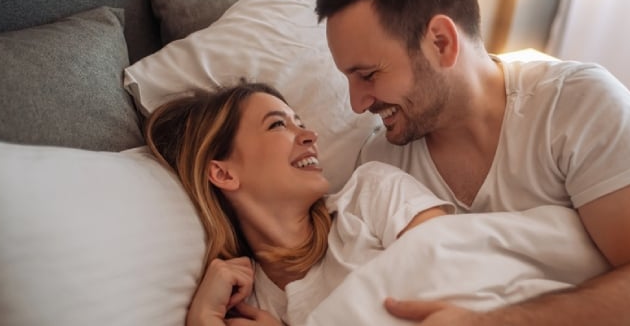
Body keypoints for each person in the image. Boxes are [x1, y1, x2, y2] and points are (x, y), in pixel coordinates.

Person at [316, 0, 630, 325]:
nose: (356, 103)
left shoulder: (574, 106)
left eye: (367, 75)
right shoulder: (381, 166)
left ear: (441, 42)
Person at [144, 81, 451, 325]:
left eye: (299, 122)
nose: (310, 135)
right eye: (278, 125)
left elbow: (466, 287)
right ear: (224, 173)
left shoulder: (372, 195)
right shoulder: (244, 303)